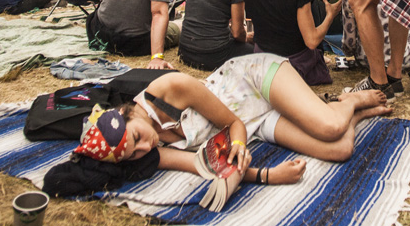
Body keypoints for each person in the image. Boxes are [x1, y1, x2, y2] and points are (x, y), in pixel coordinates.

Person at [63, 54, 391, 195]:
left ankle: (348, 103)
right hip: (255, 120)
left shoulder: (170, 88)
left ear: (128, 113)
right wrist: (267, 175)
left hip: (252, 80)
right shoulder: (150, 151)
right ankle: (350, 111)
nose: (145, 146)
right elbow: (202, 166)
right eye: (135, 153)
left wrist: (237, 145)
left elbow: (233, 124)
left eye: (137, 137)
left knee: (330, 128)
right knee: (341, 149)